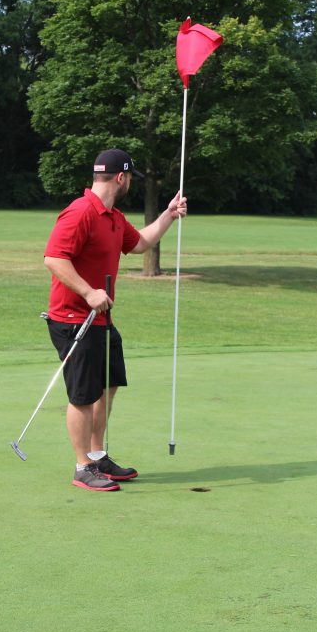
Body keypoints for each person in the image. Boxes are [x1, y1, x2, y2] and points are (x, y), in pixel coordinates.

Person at [43, 149, 187, 491]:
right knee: (82, 394)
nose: (129, 185)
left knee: (107, 385)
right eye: (130, 179)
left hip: (101, 320)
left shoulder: (112, 217)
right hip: (73, 318)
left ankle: (96, 455)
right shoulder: (80, 213)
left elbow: (140, 244)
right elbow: (54, 258)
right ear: (120, 178)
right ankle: (82, 468)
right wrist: (89, 291)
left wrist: (168, 215)